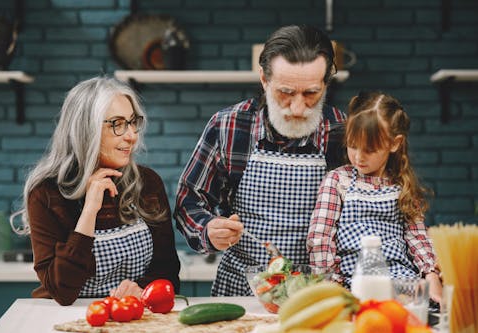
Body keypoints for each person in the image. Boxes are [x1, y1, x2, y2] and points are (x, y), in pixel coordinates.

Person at [175, 25, 347, 296]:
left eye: (311, 93)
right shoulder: (228, 126)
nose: (298, 108)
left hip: (318, 294)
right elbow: (190, 200)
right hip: (244, 291)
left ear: (326, 84)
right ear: (264, 80)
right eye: (286, 92)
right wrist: (208, 230)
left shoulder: (342, 130)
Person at [10, 76, 180, 305]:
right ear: (85, 130)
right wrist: (89, 211)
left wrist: (142, 288)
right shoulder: (45, 193)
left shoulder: (147, 183)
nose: (131, 135)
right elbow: (62, 292)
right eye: (117, 124)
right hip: (64, 318)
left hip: (133, 314)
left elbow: (168, 272)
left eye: (132, 122)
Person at [307, 91, 443, 302]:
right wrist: (330, 285)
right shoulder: (337, 180)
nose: (359, 157)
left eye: (369, 149)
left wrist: (432, 276)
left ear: (394, 143)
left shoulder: (401, 184)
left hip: (400, 282)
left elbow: (417, 237)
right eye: (353, 145)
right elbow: (321, 239)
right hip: (350, 285)